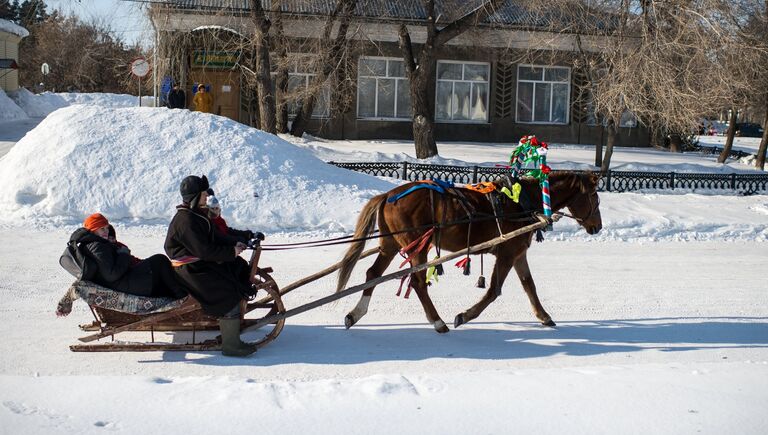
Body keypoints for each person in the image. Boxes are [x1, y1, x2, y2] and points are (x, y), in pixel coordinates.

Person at [164, 175, 263, 357]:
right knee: (228, 291)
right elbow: (205, 250)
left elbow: (217, 236)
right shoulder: (186, 221)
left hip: (197, 265)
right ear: (194, 197)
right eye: (202, 194)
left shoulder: (195, 215)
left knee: (235, 269)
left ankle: (232, 325)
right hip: (190, 271)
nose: (206, 197)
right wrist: (230, 252)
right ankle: (232, 345)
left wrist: (241, 241)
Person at [71, 213, 188, 299]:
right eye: (102, 229)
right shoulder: (97, 246)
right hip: (123, 285)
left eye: (107, 228)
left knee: (160, 271)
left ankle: (178, 293)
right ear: (93, 230)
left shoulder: (94, 244)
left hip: (124, 282)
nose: (106, 231)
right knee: (160, 260)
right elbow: (111, 275)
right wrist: (124, 254)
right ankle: (181, 297)